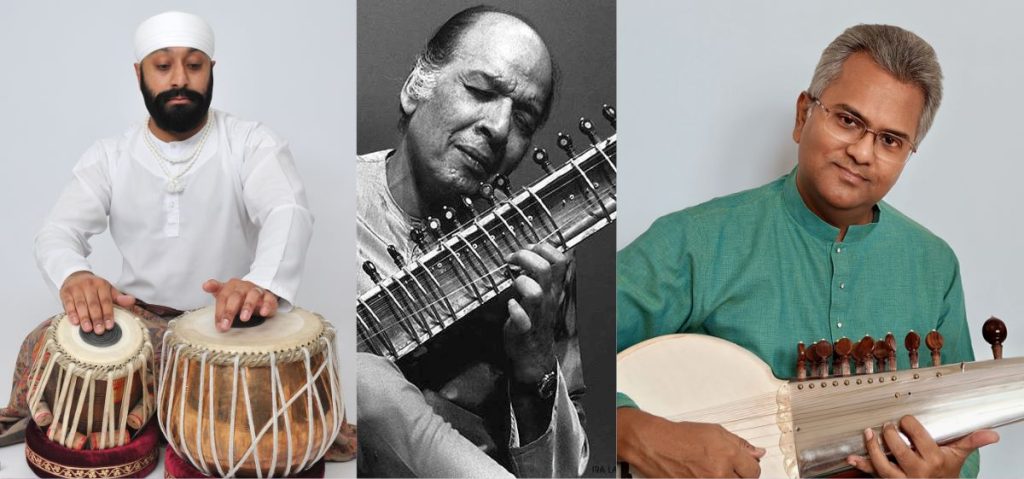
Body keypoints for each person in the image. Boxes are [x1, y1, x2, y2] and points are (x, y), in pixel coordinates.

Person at [616, 24, 998, 478]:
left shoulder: (934, 266)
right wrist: (636, 433)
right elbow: (566, 356)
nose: (862, 152)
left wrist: (947, 472)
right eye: (848, 120)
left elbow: (962, 439)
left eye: (890, 140)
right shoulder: (695, 242)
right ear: (803, 116)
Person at [0, 11, 355, 461]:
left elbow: (288, 211)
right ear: (139, 74)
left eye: (194, 64)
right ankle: (153, 416)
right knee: (43, 341)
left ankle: (139, 418)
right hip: (139, 324)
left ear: (212, 70)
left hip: (229, 324)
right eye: (163, 66)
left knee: (285, 362)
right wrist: (75, 275)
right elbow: (57, 231)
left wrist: (261, 283)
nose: (180, 79)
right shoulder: (110, 156)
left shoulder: (251, 143)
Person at [356, 6, 588, 477]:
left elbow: (563, 473)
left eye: (523, 119)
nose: (499, 128)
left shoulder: (538, 262)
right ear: (415, 88)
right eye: (481, 91)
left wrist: (535, 362)